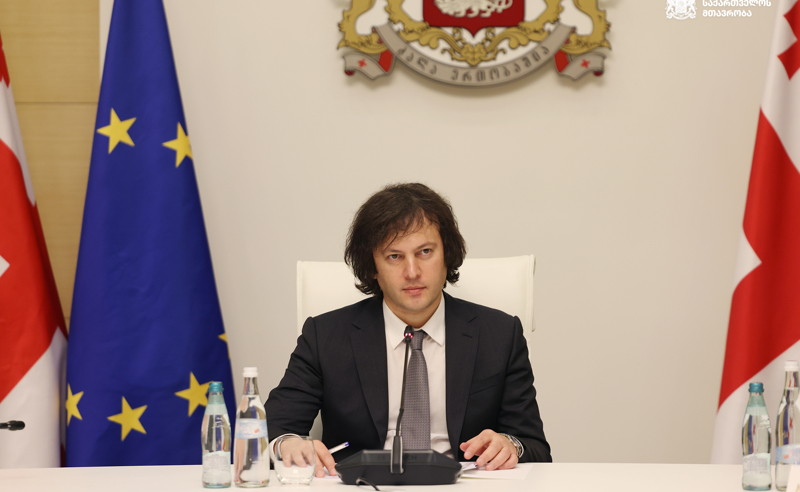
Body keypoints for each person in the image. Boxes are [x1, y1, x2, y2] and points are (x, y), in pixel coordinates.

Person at [265, 183, 551, 477]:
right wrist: (286, 444)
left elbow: (536, 448)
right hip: (363, 485)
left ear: (447, 255)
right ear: (372, 267)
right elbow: (272, 430)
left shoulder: (500, 334)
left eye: (425, 252)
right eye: (394, 256)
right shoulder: (325, 336)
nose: (412, 272)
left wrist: (511, 445)